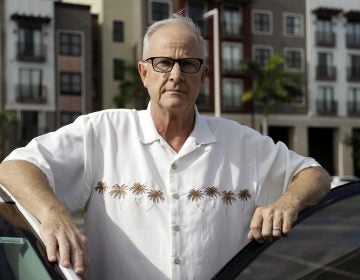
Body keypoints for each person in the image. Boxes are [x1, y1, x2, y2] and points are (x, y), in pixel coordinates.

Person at [0, 14, 330, 280]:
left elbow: (313, 174)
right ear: (144, 73)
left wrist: (288, 201)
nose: (175, 75)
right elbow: (14, 167)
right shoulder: (103, 132)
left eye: (188, 64)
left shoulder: (243, 143)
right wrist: (54, 215)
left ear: (204, 75)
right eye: (163, 63)